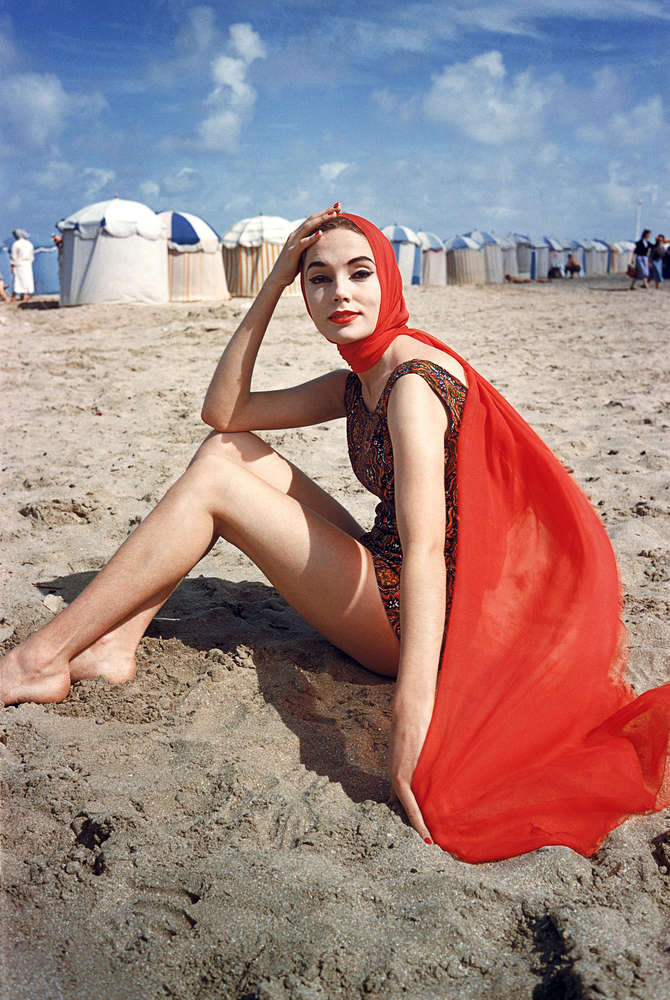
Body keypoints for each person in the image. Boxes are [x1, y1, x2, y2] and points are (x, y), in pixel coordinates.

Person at [2, 206, 669, 863]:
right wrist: (269, 288)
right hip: (389, 570)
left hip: (415, 617)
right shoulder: (361, 377)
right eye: (318, 278)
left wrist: (412, 713)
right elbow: (226, 412)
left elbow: (430, 553)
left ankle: (41, 660)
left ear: (389, 279)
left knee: (215, 485)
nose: (339, 293)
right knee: (222, 453)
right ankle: (116, 644)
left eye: (359, 272)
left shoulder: (410, 384)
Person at [9, 228, 35, 303]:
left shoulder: (16, 244)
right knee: (27, 280)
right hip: (28, 264)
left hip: (19, 264)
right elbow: (32, 255)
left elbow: (14, 256)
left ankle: (13, 297)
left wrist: (12, 265)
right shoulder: (29, 243)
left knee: (18, 280)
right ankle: (25, 296)